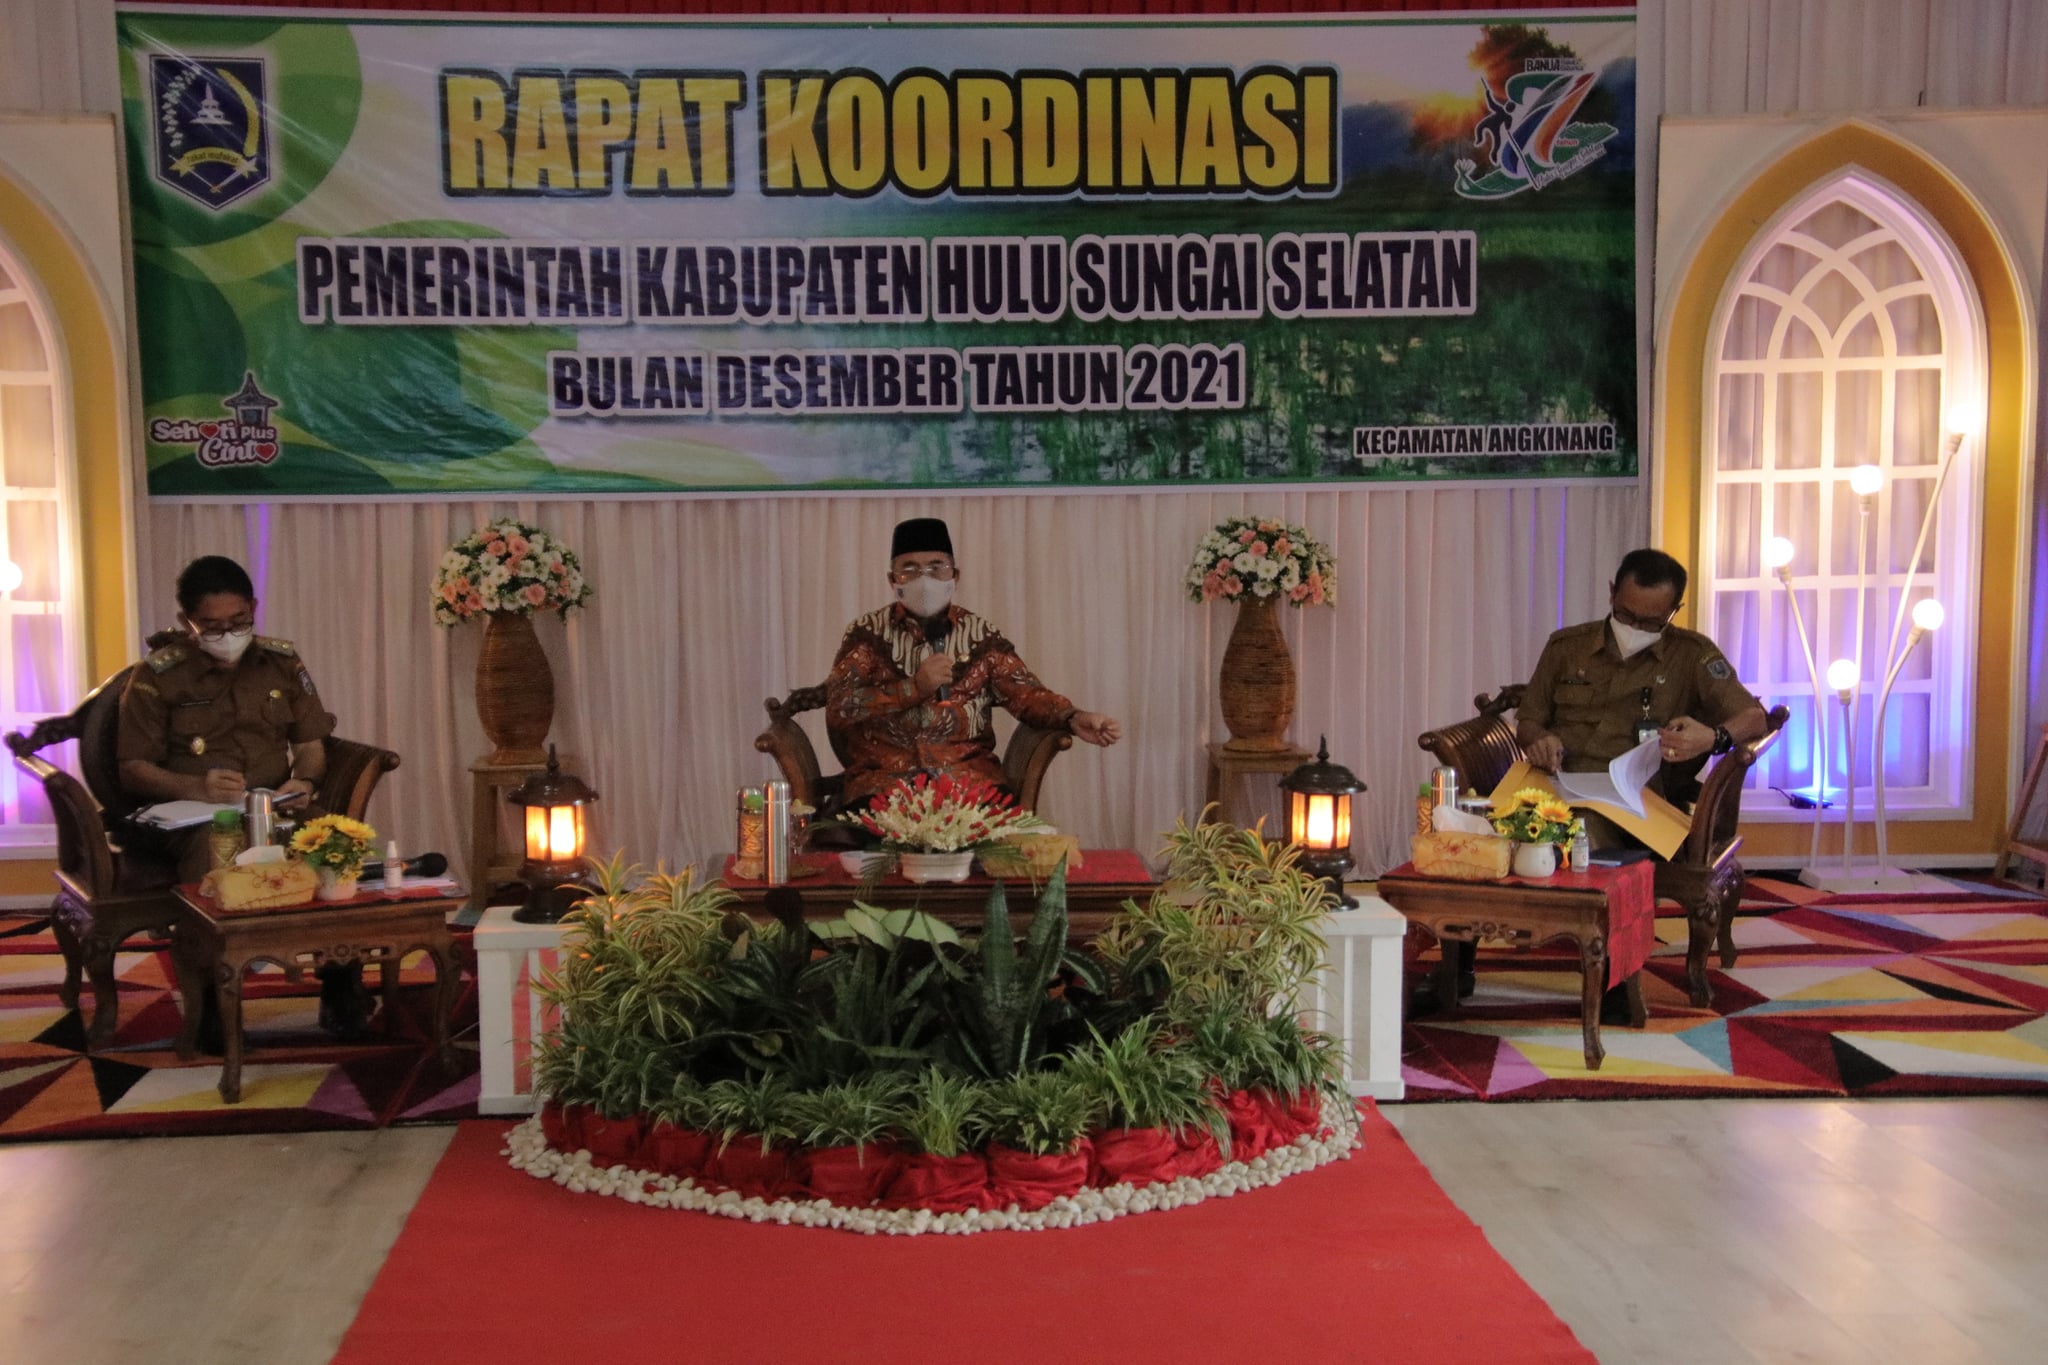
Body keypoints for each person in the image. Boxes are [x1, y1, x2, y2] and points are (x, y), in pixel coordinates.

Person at [1424, 549, 1769, 1020]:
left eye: (1652, 622)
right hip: (1553, 784)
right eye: (1627, 614)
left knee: (1581, 832)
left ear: (1674, 612)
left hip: (1640, 802)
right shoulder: (1567, 646)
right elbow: (1529, 720)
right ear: (1611, 593)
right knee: (1468, 832)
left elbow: (1754, 716)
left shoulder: (1693, 656)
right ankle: (1457, 966)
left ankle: (1613, 980)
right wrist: (1539, 738)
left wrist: (1714, 736)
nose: (1636, 628)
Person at [115, 556, 363, 1036]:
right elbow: (132, 770)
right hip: (193, 814)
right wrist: (196, 787)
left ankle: (340, 983)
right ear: (188, 620)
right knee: (216, 848)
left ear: (253, 607)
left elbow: (310, 747)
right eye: (211, 626)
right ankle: (212, 1002)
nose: (227, 634)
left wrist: (305, 783)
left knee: (333, 842)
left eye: (238, 622)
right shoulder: (158, 675)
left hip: (272, 803)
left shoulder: (281, 662)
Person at [824, 517, 1120, 813]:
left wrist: (1073, 717)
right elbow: (839, 706)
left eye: (936, 567)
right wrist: (913, 688)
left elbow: (1025, 694)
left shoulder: (980, 635)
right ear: (892, 580)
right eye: (910, 569)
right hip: (883, 784)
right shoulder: (867, 634)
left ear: (955, 575)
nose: (923, 579)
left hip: (969, 783)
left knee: (983, 841)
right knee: (859, 838)